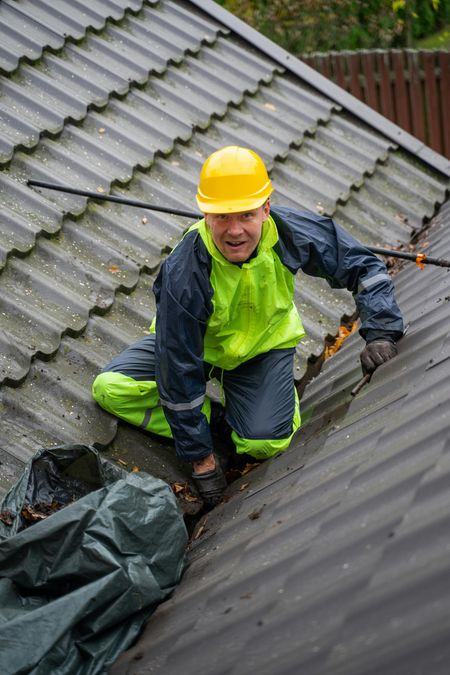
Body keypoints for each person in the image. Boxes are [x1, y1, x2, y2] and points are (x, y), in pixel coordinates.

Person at [92, 145, 403, 506]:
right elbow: (178, 364)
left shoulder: (288, 233)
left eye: (246, 215)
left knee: (264, 442)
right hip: (199, 350)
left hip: (261, 349)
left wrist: (380, 330)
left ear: (266, 210)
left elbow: (363, 266)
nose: (235, 230)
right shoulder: (185, 270)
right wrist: (201, 459)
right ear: (206, 214)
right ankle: (215, 427)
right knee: (111, 388)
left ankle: (257, 408)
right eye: (222, 217)